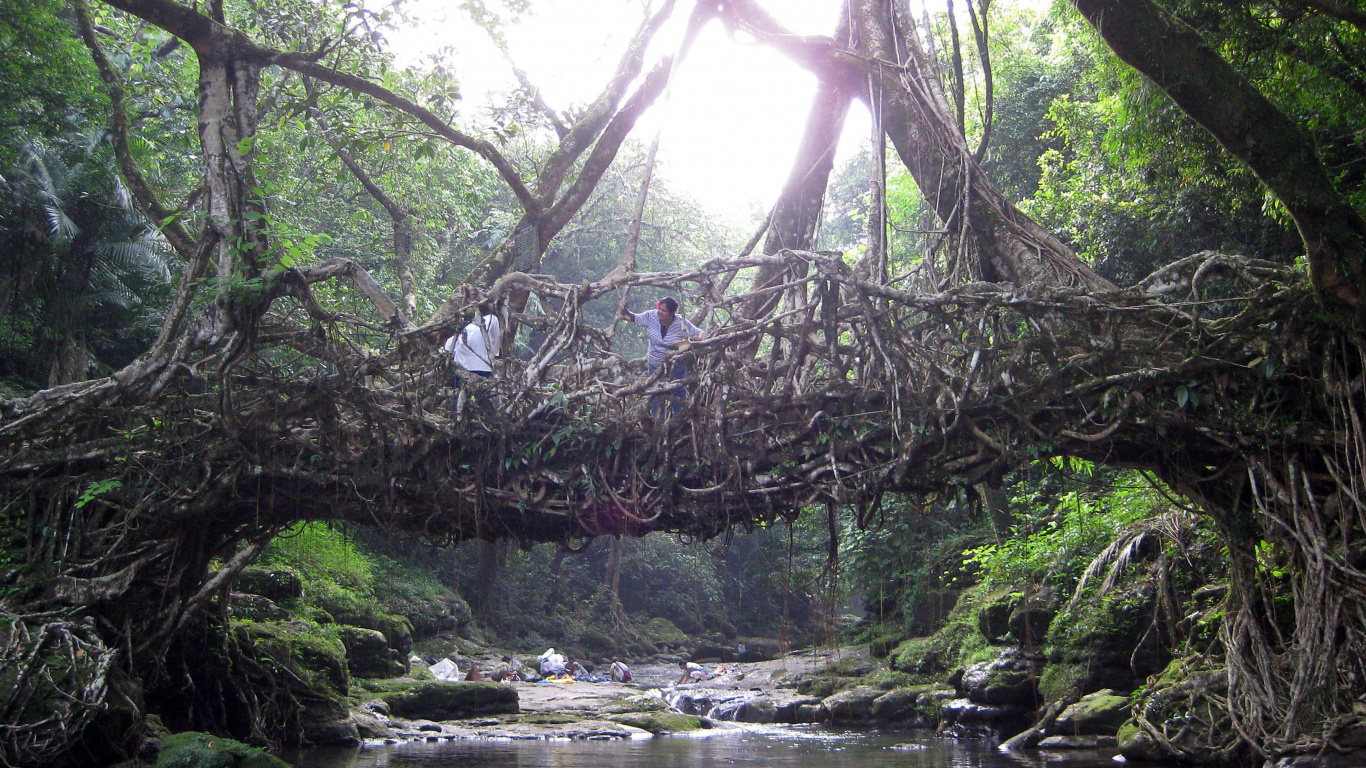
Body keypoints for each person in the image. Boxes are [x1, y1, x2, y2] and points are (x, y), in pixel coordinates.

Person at [618, 297, 703, 420]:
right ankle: (658, 421)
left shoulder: (680, 323)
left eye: (664, 310)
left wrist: (698, 339)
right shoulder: (651, 316)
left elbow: (700, 332)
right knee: (655, 392)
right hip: (654, 363)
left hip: (675, 364)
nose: (660, 312)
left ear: (672, 313)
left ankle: (680, 420)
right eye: (660, 308)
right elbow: (634, 317)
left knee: (677, 390)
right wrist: (624, 310)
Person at [443, 304, 501, 391]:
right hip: (467, 366)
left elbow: (497, 341)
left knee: (478, 396)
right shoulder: (464, 324)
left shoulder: (491, 319)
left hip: (479, 366)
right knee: (461, 395)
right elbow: (449, 345)